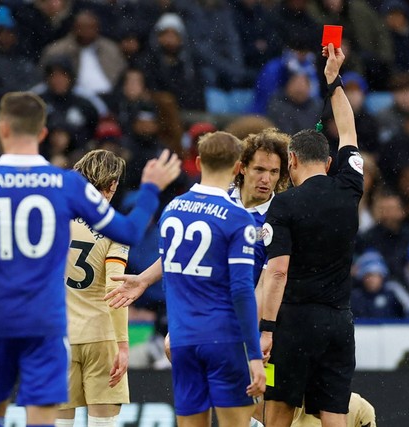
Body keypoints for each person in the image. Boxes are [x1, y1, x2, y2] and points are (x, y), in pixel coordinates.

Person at [0, 91, 181, 427]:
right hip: (47, 325)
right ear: (43, 133)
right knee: (45, 418)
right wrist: (150, 190)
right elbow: (127, 231)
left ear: (1, 128)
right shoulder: (66, 185)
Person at [106, 131, 266, 426]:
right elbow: (242, 290)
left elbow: (172, 262)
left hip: (182, 340)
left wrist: (143, 279)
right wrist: (254, 356)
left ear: (199, 161)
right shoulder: (238, 218)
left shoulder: (173, 210)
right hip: (223, 340)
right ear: (237, 168)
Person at [259, 43, 364, 427]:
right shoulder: (350, 187)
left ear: (291, 161)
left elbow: (277, 273)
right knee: (334, 414)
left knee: (280, 410)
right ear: (331, 161)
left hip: (295, 323)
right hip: (340, 322)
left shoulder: (283, 205)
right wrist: (333, 81)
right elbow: (349, 130)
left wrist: (266, 329)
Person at [55, 150, 132, 427]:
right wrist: (122, 345)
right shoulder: (116, 229)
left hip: (59, 335)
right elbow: (117, 288)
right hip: (101, 336)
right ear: (111, 186)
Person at [230, 128, 290, 293]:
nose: (266, 180)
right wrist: (149, 279)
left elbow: (265, 285)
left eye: (274, 172)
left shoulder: (279, 220)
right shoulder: (219, 198)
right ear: (242, 168)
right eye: (259, 169)